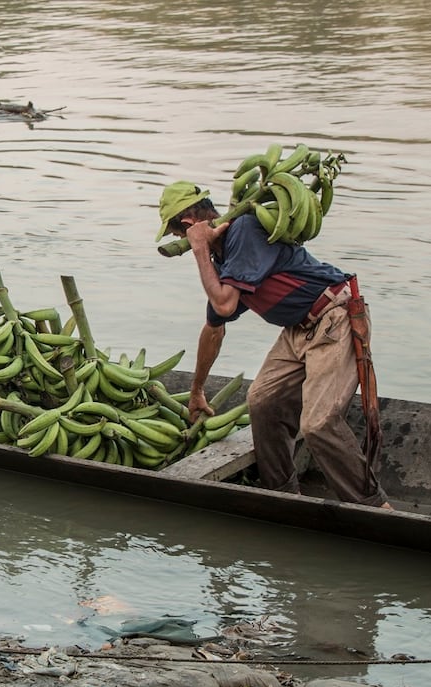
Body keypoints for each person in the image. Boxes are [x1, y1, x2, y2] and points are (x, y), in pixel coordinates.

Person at [154, 181, 390, 508]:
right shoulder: (224, 259)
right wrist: (197, 389)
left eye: (179, 234)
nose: (181, 241)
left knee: (318, 423)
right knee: (263, 402)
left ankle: (374, 506)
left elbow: (223, 304)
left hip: (334, 317)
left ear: (189, 224)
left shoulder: (245, 231)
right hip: (297, 329)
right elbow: (214, 327)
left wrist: (197, 250)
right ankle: (282, 495)